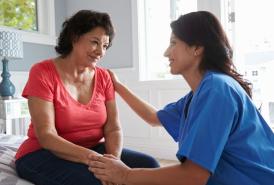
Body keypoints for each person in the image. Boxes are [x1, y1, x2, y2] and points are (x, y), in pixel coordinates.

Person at [88, 11, 274, 185]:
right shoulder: (201, 92)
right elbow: (153, 117)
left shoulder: (217, 90)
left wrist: (125, 175)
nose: (166, 53)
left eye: (173, 43)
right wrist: (119, 86)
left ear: (197, 48)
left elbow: (194, 175)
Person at [15, 9, 159, 185]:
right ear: (75, 37)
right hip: (42, 153)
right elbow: (46, 135)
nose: (100, 51)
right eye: (95, 42)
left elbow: (113, 128)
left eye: (105, 46)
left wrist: (113, 162)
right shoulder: (42, 72)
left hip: (92, 149)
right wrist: (95, 160)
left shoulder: (104, 76)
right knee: (94, 181)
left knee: (150, 166)